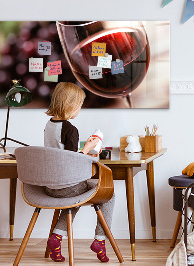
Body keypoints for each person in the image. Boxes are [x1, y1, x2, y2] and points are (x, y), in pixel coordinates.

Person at [44, 82, 115, 263]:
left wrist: (85, 150)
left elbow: (61, 154)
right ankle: (100, 240)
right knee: (109, 194)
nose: (79, 110)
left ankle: (57, 238)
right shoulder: (70, 129)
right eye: (79, 106)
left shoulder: (49, 125)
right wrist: (89, 149)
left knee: (74, 198)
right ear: (71, 105)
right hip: (67, 186)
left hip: (50, 186)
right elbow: (72, 161)